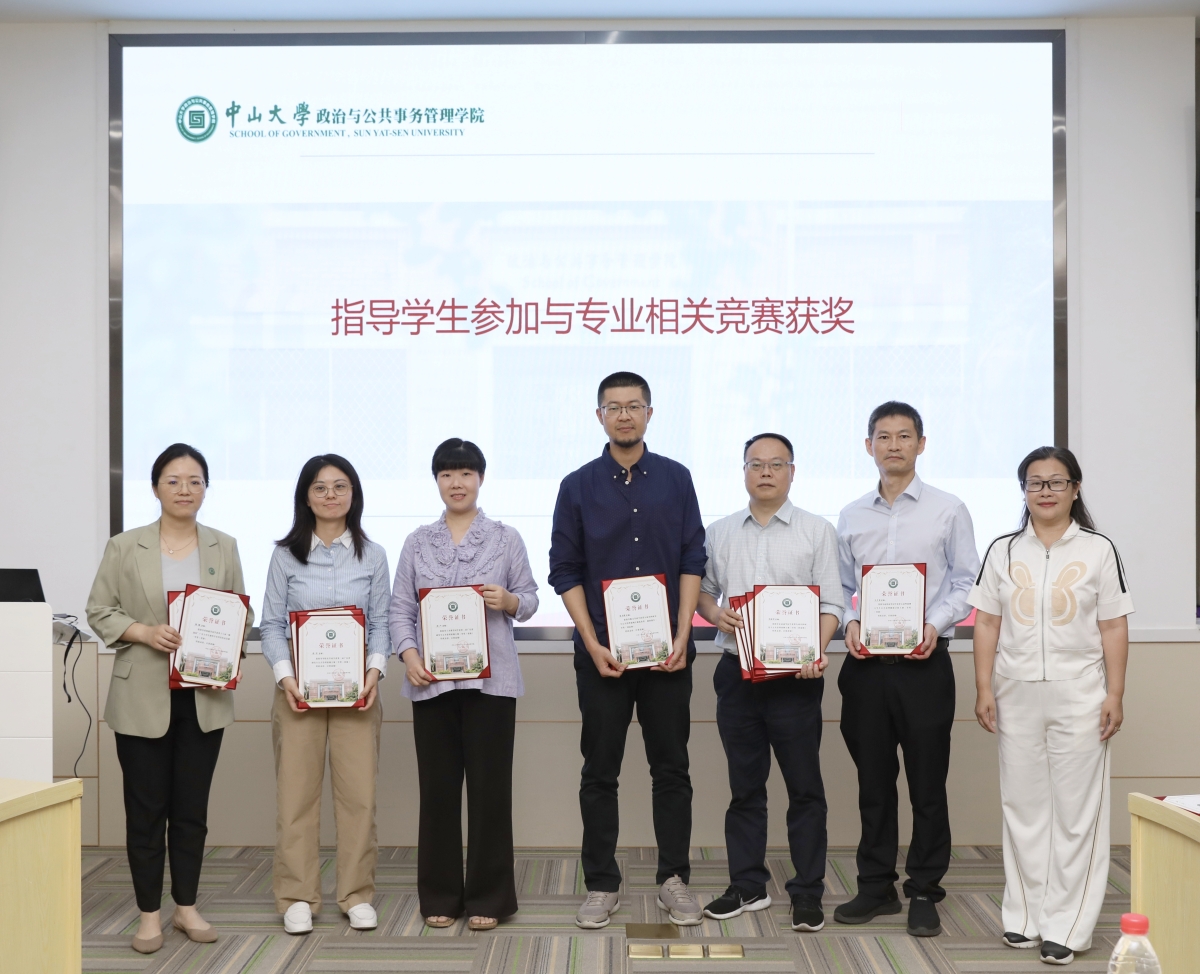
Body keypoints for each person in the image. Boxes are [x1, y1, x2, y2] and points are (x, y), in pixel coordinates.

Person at [549, 371, 707, 929]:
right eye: (613, 407)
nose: (623, 415)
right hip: (602, 658)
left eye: (633, 406)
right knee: (600, 772)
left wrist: (684, 635)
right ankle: (601, 884)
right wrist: (592, 643)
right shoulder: (576, 486)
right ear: (600, 416)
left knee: (672, 770)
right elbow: (564, 569)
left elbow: (692, 557)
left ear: (649, 413)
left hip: (669, 655)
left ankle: (674, 880)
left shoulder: (676, 478)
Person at [86, 443, 252, 954]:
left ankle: (186, 906)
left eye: (195, 481)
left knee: (191, 811)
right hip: (141, 696)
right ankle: (148, 915)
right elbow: (99, 610)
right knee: (145, 811)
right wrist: (143, 631)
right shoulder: (124, 545)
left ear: (206, 489)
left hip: (204, 696)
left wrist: (228, 645)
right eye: (174, 480)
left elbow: (240, 615)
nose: (185, 489)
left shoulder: (224, 546)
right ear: (156, 487)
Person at [969, 447, 1131, 966]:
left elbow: (1113, 625)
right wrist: (984, 687)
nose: (1045, 491)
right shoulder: (1003, 550)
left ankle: (1067, 925)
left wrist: (1114, 694)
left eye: (1056, 482)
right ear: (1023, 491)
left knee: (1078, 813)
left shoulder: (1099, 550)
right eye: (1035, 482)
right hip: (1015, 692)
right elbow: (987, 622)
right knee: (1023, 807)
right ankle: (1025, 917)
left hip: (1080, 692)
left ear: (1075, 489)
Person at [834, 402, 979, 938]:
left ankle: (923, 890)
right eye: (883, 436)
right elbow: (841, 586)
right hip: (866, 669)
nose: (893, 445)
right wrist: (849, 620)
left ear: (921, 443)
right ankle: (876, 887)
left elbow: (967, 581)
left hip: (924, 666)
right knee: (873, 784)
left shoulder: (948, 509)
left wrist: (934, 624)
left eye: (903, 436)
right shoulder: (851, 515)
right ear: (868, 445)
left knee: (927, 785)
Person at [389, 438, 539, 931]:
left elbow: (530, 598)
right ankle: (440, 895)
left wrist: (509, 601)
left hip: (491, 685)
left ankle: (488, 898)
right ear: (436, 481)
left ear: (481, 478)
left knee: (490, 792)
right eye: (447, 474)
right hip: (431, 683)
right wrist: (409, 656)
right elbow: (400, 608)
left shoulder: (505, 538)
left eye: (466, 473)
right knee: (437, 792)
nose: (457, 483)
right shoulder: (416, 542)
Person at [696, 433, 843, 933]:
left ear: (791, 472)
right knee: (745, 788)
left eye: (776, 464)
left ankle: (807, 891)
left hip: (796, 679)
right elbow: (705, 593)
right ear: (743, 472)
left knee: (805, 789)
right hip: (736, 675)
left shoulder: (817, 531)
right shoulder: (719, 532)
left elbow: (832, 603)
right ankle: (748, 886)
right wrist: (714, 614)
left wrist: (814, 650)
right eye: (755, 464)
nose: (765, 472)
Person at [259, 455, 391, 935]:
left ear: (354, 494)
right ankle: (297, 895)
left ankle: (356, 894)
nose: (331, 495)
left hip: (359, 694)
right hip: (298, 694)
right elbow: (271, 624)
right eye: (320, 487)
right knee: (296, 797)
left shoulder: (373, 555)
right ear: (306, 496)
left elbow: (380, 622)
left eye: (340, 486)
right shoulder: (285, 555)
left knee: (359, 798)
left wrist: (375, 672)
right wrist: (285, 678)